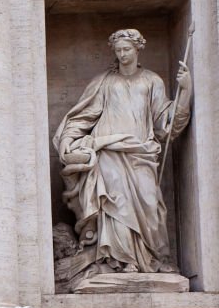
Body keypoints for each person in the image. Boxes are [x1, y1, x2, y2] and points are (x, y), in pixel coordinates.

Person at [53, 29, 191, 277]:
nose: (122, 54)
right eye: (118, 50)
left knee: (151, 203)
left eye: (127, 49)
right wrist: (67, 137)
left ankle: (156, 258)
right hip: (108, 151)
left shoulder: (152, 81)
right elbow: (83, 115)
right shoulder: (104, 82)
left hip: (141, 152)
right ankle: (119, 260)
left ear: (138, 49)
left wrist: (186, 92)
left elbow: (167, 124)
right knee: (115, 204)